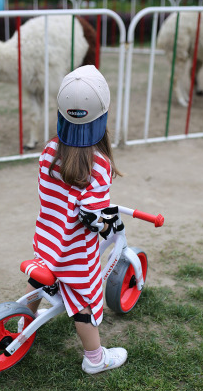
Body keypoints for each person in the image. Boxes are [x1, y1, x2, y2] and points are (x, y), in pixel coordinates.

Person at [23, 64, 127, 374]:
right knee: (85, 301)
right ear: (102, 119)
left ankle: (23, 319)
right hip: (75, 253)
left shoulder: (48, 153)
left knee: (39, 280)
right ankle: (94, 358)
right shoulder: (98, 167)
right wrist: (107, 224)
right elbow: (93, 217)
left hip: (47, 238)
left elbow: (54, 197)